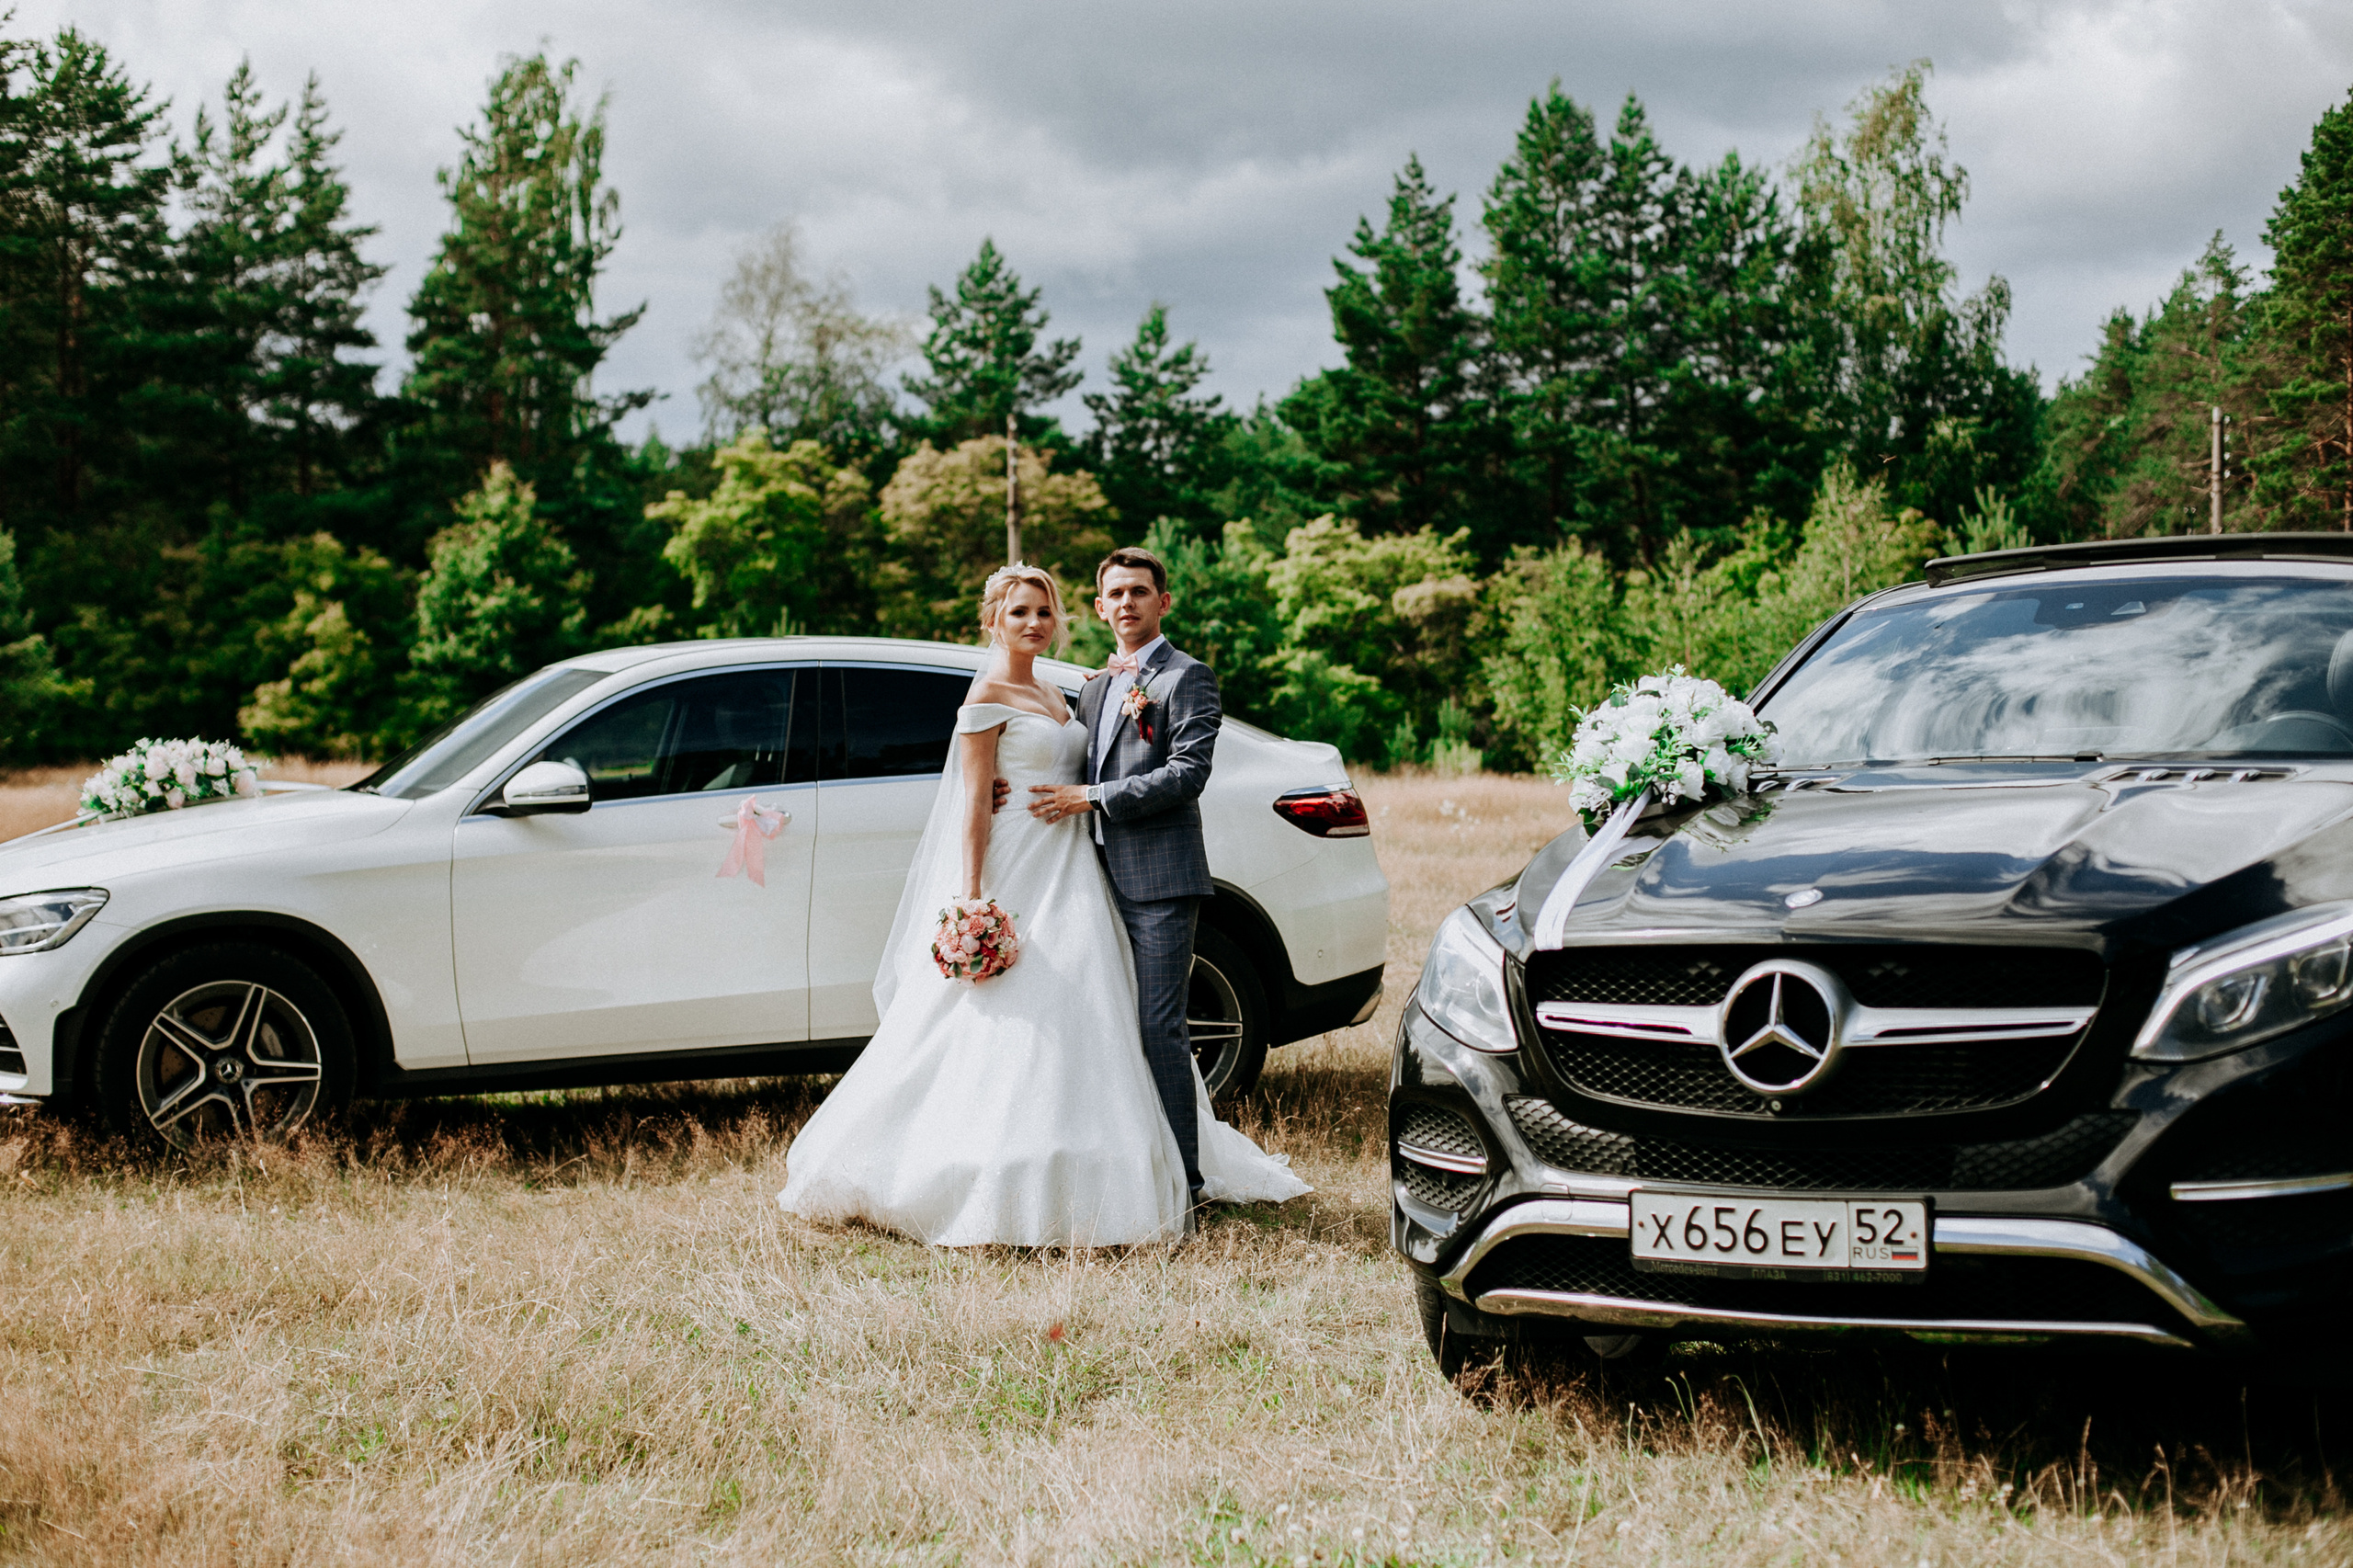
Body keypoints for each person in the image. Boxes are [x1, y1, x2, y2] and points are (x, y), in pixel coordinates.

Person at [775, 562, 1305, 1246]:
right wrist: (972, 896)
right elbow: (972, 798)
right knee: (1006, 1017)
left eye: (1043, 612)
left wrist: (1066, 789)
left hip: (1077, 866)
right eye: (1019, 612)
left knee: (1100, 1014)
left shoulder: (1075, 692)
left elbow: (1126, 767)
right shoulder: (989, 693)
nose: (1033, 623)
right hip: (1018, 868)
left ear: (1061, 618)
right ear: (993, 620)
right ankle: (979, 1164)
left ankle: (1153, 1167)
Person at [1026, 546, 1220, 1213]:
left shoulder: (1186, 678)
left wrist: (1093, 796)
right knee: (1101, 1026)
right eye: (1116, 593)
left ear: (1163, 603)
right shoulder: (1098, 687)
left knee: (1159, 1026)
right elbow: (1063, 751)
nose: (1128, 603)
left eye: (1141, 591)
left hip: (1160, 879)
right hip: (1089, 878)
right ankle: (1122, 1171)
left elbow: (1188, 773)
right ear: (1100, 605)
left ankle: (1185, 1184)